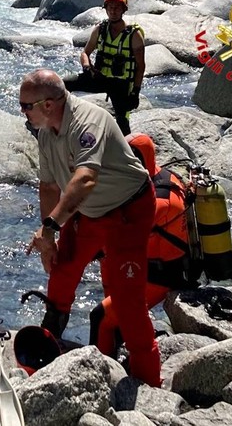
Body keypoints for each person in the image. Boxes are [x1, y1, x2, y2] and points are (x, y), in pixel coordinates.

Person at [22, 69, 160, 387]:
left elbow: (85, 178)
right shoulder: (45, 133)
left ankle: (150, 383)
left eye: (26, 106)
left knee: (127, 301)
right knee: (63, 270)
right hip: (89, 212)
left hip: (127, 211)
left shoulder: (87, 122)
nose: (23, 113)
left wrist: (51, 226)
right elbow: (47, 187)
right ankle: (47, 344)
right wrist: (49, 239)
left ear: (47, 105)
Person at [90, 132, 198, 358]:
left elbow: (113, 237)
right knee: (107, 260)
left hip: (163, 278)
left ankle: (102, 366)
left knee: (99, 316)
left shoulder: (158, 203)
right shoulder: (159, 176)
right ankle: (118, 335)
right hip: (150, 266)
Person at [63, 0, 146, 136]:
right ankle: (63, 121)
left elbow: (141, 66)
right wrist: (87, 67)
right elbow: (85, 53)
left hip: (121, 84)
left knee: (122, 121)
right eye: (110, 8)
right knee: (64, 84)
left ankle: (129, 152)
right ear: (106, 9)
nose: (113, 11)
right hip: (99, 77)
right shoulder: (100, 29)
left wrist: (135, 91)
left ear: (123, 10)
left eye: (117, 8)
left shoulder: (133, 35)